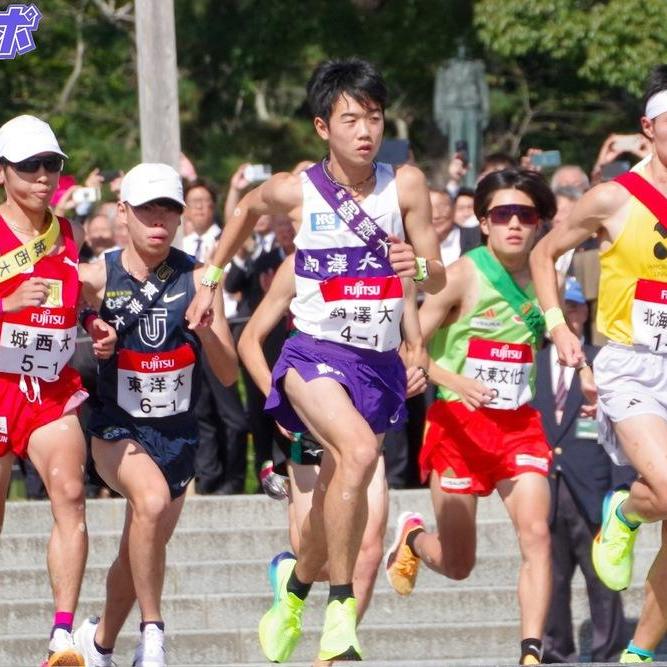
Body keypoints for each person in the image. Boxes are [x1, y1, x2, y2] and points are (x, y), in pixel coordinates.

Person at [187, 57, 445, 662]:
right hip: (313, 356)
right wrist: (210, 279)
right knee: (357, 453)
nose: (365, 131)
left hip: (376, 366)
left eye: (375, 118)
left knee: (335, 509)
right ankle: (339, 610)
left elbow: (435, 274)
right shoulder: (295, 190)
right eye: (351, 119)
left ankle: (296, 588)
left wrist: (421, 269)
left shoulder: (404, 185)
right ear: (322, 126)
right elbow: (247, 209)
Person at [385, 169, 557, 666]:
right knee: (459, 566)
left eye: (526, 215)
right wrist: (453, 380)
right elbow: (407, 347)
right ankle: (414, 537)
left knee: (537, 534)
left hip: (517, 425)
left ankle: (530, 652)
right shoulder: (462, 273)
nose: (515, 225)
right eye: (502, 214)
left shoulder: (547, 275)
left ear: (540, 222)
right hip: (458, 426)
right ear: (483, 222)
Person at [73, 163, 238, 667]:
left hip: (176, 436)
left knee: (137, 548)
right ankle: (152, 637)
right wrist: (88, 324)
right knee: (148, 501)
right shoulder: (98, 274)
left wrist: (207, 328)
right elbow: (53, 315)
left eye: (169, 208)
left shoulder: (198, 277)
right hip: (115, 428)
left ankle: (98, 642)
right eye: (146, 209)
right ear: (123, 212)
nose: (158, 220)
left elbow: (229, 374)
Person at [530, 64, 667, 664]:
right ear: (649, 128)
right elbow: (544, 252)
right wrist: (559, 326)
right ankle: (627, 510)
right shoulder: (614, 197)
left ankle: (638, 654)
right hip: (629, 364)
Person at [0, 114, 117, 667]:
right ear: (3, 173)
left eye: (52, 165)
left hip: (48, 385)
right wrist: (5, 306)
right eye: (29, 167)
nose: (43, 177)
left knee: (70, 494)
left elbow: (73, 302)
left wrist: (90, 322)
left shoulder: (64, 232)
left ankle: (63, 637)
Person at [533, 277, 629, 663]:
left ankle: (607, 652)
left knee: (603, 579)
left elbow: (624, 424)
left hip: (594, 488)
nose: (570, 315)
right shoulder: (533, 363)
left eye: (574, 307)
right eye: (562, 308)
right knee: (551, 580)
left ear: (585, 312)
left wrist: (621, 490)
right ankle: (556, 651)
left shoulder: (603, 362)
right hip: (545, 489)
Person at [181, 178, 248, 495]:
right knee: (201, 412)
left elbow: (237, 277)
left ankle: (234, 480)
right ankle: (209, 479)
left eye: (205, 203)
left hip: (225, 332)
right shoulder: (178, 246)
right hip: (189, 334)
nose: (199, 209)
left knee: (231, 412)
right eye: (193, 203)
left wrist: (216, 262)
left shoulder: (227, 241)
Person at [430, 188, 481, 266]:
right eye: (429, 208)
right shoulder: (410, 247)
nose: (436, 215)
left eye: (442, 207)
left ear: (454, 208)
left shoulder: (477, 238)